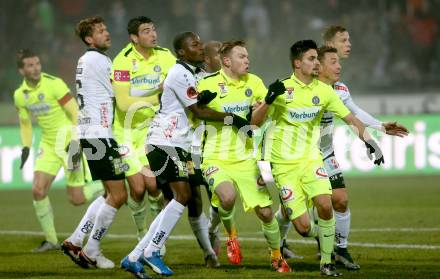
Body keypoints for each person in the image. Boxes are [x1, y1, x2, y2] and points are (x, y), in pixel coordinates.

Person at [277, 26, 409, 270]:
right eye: (333, 61)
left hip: (324, 154)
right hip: (295, 157)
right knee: (296, 212)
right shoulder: (305, 85)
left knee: (339, 200)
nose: (339, 66)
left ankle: (340, 249)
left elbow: (354, 114)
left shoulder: (339, 90)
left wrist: (378, 129)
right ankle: (280, 242)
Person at [120, 31, 249, 278]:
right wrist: (232, 119)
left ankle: (134, 256)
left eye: (201, 43)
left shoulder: (188, 73)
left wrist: (203, 98)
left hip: (176, 143)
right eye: (195, 45)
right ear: (181, 52)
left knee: (179, 198)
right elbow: (199, 112)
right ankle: (153, 251)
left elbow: (192, 104)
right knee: (184, 195)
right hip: (165, 142)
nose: (200, 47)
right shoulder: (180, 73)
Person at [253, 39, 385, 276]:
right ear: (297, 63)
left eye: (317, 58)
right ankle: (317, 239)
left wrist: (371, 142)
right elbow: (255, 122)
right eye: (311, 59)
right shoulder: (281, 90)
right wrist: (269, 100)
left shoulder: (324, 91)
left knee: (326, 205)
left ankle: (327, 262)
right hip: (284, 167)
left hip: (312, 160)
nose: (316, 63)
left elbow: (351, 119)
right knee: (303, 228)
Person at [197, 40, 291, 272]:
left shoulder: (254, 82)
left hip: (245, 157)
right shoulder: (206, 83)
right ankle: (231, 237)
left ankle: (277, 256)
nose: (247, 60)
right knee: (227, 198)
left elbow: (254, 124)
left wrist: (267, 100)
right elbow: (195, 113)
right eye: (241, 56)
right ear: (226, 61)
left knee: (267, 212)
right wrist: (203, 105)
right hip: (215, 156)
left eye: (247, 56)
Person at [13, 49, 103, 253]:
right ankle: (51, 240)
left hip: (68, 141)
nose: (35, 68)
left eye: (37, 63)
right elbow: (25, 124)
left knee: (77, 199)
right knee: (37, 190)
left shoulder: (54, 84)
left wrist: (75, 142)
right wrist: (26, 146)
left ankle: (103, 188)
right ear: (21, 70)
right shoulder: (20, 95)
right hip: (48, 145)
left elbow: (74, 113)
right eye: (30, 65)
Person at [63, 16, 127, 269]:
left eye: (106, 29)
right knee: (120, 195)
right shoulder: (100, 61)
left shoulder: (86, 60)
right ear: (89, 39)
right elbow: (121, 95)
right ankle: (92, 249)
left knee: (109, 193)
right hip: (100, 135)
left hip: (94, 134)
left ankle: (76, 240)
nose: (107, 33)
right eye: (101, 31)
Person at [112, 16, 175, 240]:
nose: (153, 34)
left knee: (154, 187)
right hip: (125, 133)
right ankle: (141, 233)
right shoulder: (123, 60)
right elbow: (122, 103)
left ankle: (154, 238)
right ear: (134, 37)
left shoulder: (165, 56)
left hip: (151, 131)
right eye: (146, 31)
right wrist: (155, 96)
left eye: (153, 29)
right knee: (138, 189)